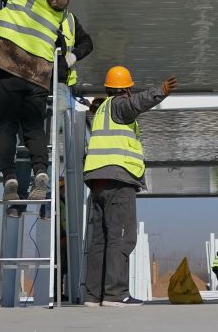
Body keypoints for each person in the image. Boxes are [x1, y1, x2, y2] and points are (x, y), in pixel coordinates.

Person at [0, 0, 93, 213]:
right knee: (33, 127)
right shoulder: (60, 10)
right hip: (39, 76)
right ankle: (41, 172)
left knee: (6, 125)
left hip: (9, 63)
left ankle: (9, 177)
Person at [83, 66, 177, 308]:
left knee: (99, 241)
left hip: (98, 180)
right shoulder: (119, 105)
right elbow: (135, 104)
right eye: (130, 90)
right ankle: (115, 294)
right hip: (118, 179)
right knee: (121, 238)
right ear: (126, 89)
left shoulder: (102, 110)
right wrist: (160, 92)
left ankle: (93, 296)